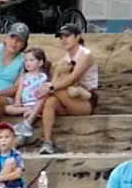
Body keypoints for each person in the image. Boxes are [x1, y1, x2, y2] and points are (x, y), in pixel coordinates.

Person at [35, 24, 99, 155]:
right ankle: (47, 142)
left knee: (53, 92)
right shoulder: (65, 59)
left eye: (67, 36)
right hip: (67, 98)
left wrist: (51, 88)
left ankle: (29, 118)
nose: (64, 40)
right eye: (61, 37)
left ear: (77, 37)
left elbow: (74, 77)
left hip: (85, 100)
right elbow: (57, 79)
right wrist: (48, 87)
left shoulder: (86, 54)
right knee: (50, 101)